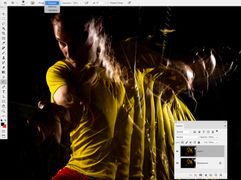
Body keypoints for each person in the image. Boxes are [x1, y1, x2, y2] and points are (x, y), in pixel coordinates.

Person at [29, 11, 201, 180]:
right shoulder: (63, 71)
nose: (70, 52)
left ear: (98, 29)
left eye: (78, 40)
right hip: (85, 173)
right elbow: (67, 104)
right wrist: (55, 117)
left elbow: (183, 71)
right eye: (62, 43)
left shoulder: (131, 56)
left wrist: (188, 73)